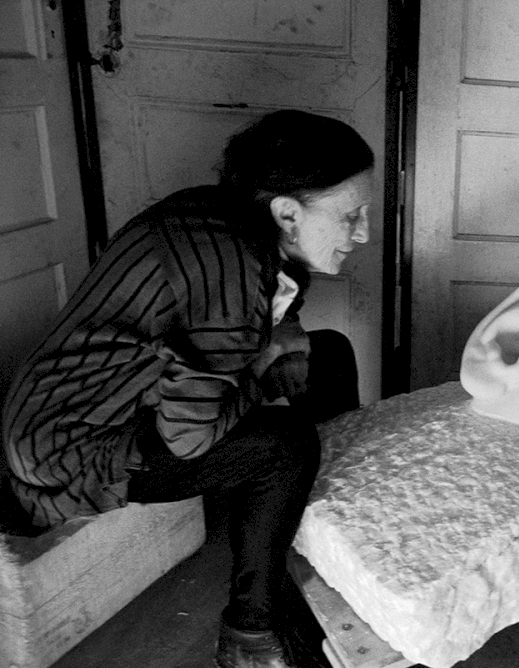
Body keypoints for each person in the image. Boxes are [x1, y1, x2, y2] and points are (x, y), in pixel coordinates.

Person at [1, 109, 374, 668]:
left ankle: (326, 535)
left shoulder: (233, 216)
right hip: (71, 444)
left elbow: (275, 295)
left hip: (105, 398)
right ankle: (251, 630)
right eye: (351, 215)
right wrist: (266, 356)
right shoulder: (225, 272)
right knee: (286, 445)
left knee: (331, 355)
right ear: (288, 213)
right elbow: (189, 439)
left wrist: (287, 334)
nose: (363, 231)